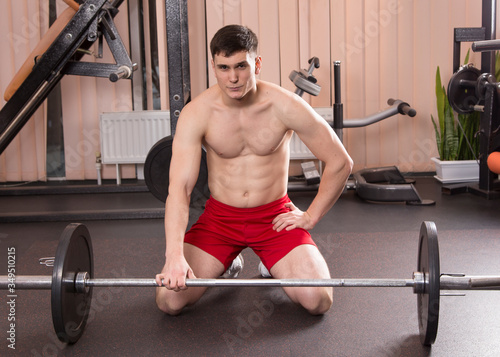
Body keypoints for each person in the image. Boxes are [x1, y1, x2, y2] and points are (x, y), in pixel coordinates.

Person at [155, 25, 353, 316]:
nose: (232, 77)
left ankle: (272, 264)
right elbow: (180, 190)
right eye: (223, 67)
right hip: (220, 220)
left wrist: (310, 216)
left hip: (274, 219)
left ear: (256, 64)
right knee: (168, 301)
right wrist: (173, 256)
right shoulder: (197, 113)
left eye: (240, 66)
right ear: (213, 66)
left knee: (318, 300)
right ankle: (227, 264)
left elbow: (340, 162)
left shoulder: (285, 105)